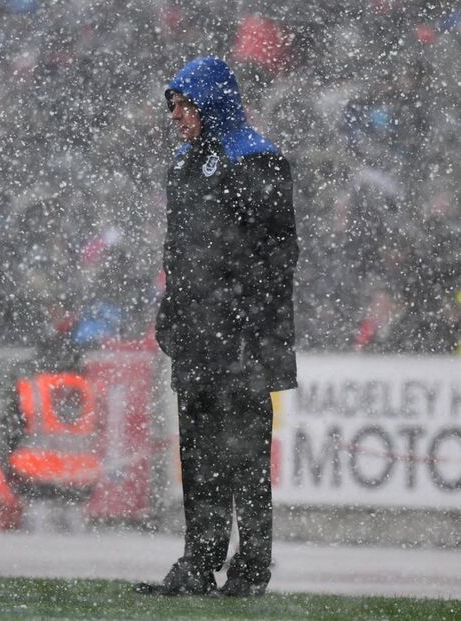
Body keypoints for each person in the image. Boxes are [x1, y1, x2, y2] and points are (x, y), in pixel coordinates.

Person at [138, 57, 298, 597]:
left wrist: (247, 321)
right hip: (199, 338)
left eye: (184, 104)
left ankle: (251, 570)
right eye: (173, 107)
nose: (177, 116)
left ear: (210, 102)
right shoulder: (182, 164)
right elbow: (180, 251)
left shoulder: (257, 159)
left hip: (242, 341)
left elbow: (278, 255)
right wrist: (174, 307)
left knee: (246, 461)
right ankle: (198, 562)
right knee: (198, 458)